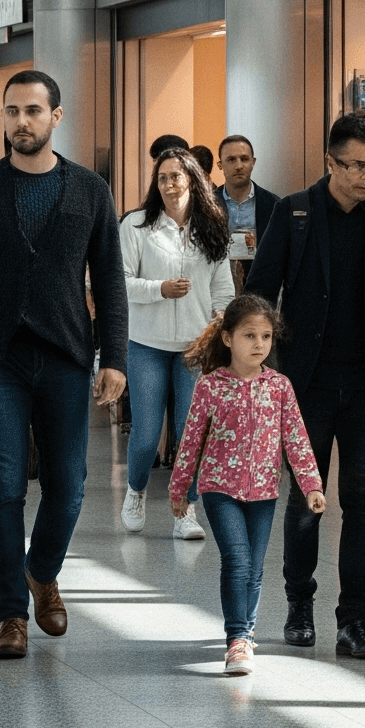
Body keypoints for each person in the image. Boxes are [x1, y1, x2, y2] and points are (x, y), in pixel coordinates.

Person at [0, 69, 130, 662]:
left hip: (66, 352)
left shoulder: (90, 189)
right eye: (12, 112)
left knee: (69, 486)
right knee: (4, 487)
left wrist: (113, 357)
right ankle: (12, 612)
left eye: (33, 112)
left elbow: (110, 282)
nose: (21, 122)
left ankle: (43, 571)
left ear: (55, 117)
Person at [242, 112, 365, 660]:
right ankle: (300, 605)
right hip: (306, 384)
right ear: (331, 162)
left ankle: (354, 620)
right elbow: (259, 291)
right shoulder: (295, 211)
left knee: (363, 501)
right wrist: (256, 369)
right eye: (358, 165)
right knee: (306, 500)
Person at [171, 296, 326, 677]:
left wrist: (311, 485)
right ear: (227, 338)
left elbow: (296, 438)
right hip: (218, 489)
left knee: (255, 569)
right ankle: (237, 638)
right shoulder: (210, 386)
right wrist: (180, 489)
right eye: (249, 335)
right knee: (237, 561)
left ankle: (247, 631)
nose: (259, 344)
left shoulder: (279, 387)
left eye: (267, 336)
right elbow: (190, 440)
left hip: (263, 492)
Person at [121, 147, 235, 539]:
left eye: (177, 176)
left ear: (193, 180)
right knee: (147, 432)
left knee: (191, 432)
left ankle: (184, 509)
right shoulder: (137, 225)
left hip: (194, 348)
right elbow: (120, 282)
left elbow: (223, 290)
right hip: (147, 344)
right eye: (163, 177)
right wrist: (160, 289)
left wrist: (220, 330)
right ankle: (135, 490)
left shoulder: (212, 226)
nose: (170, 184)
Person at [214, 134, 281, 279]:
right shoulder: (207, 204)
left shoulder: (274, 205)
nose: (239, 166)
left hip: (261, 284)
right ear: (220, 165)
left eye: (244, 159)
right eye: (231, 160)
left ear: (253, 162)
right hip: (218, 284)